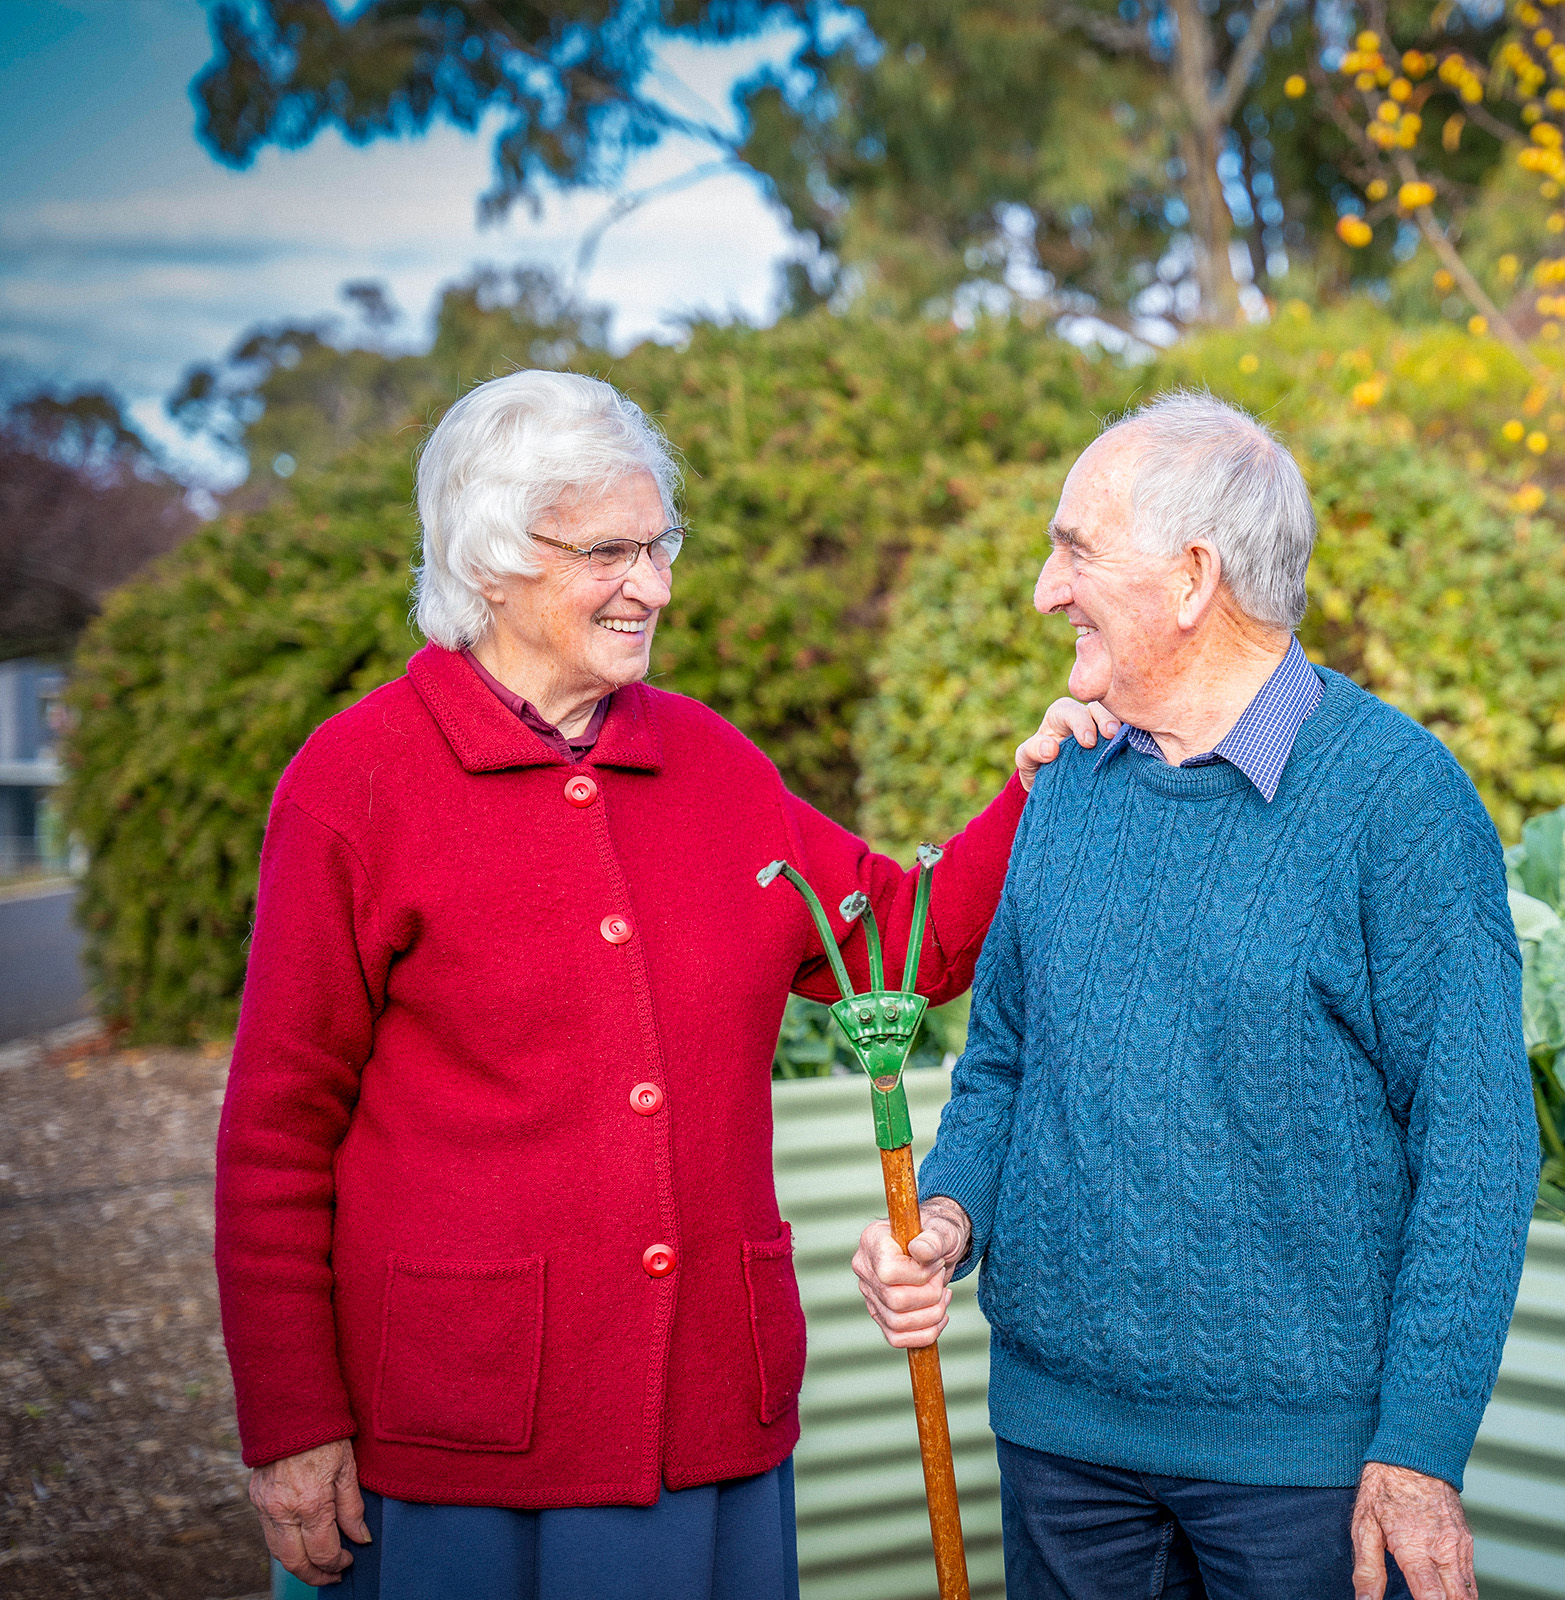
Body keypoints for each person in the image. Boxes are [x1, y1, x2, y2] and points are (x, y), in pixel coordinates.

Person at [216, 368, 1115, 1597]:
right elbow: (275, 1134)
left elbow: (901, 945)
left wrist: (1032, 789)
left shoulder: (708, 764)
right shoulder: (357, 783)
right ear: (489, 558)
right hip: (464, 1438)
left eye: (660, 543)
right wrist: (293, 1423)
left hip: (703, 1418)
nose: (655, 584)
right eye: (611, 551)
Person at [851, 392, 1541, 1600]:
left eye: (1073, 549)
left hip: (1304, 1470)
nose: (1044, 589)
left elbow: (1478, 1142)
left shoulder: (1396, 802)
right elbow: (1008, 1059)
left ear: (1190, 578)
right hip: (1061, 1445)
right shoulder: (1066, 786)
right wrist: (950, 1219)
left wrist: (1418, 1450)